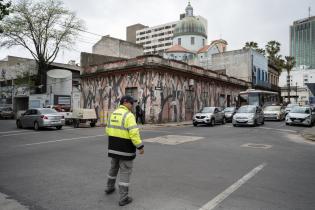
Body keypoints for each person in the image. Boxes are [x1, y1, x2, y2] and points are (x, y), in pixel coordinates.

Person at [105, 95, 144, 206]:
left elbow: (107, 130)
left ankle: (109, 187)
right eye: (131, 103)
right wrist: (140, 146)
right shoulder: (129, 115)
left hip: (113, 148)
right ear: (125, 102)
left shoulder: (113, 114)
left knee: (113, 168)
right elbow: (134, 133)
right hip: (125, 150)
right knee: (125, 172)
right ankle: (123, 198)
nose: (132, 105)